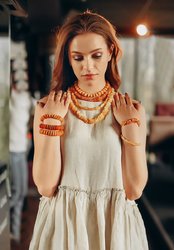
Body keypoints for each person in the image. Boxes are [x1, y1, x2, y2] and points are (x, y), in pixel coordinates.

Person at [29, 10, 149, 250]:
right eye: (78, 58)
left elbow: (134, 190)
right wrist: (53, 121)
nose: (88, 66)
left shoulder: (132, 110)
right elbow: (45, 186)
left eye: (96, 55)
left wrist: (128, 124)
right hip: (63, 228)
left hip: (115, 229)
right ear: (68, 59)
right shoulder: (47, 108)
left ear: (110, 53)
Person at [9, 82, 36, 243]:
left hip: (21, 150)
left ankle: (15, 232)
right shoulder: (11, 98)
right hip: (11, 150)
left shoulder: (27, 98)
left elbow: (37, 108)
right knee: (16, 192)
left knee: (22, 191)